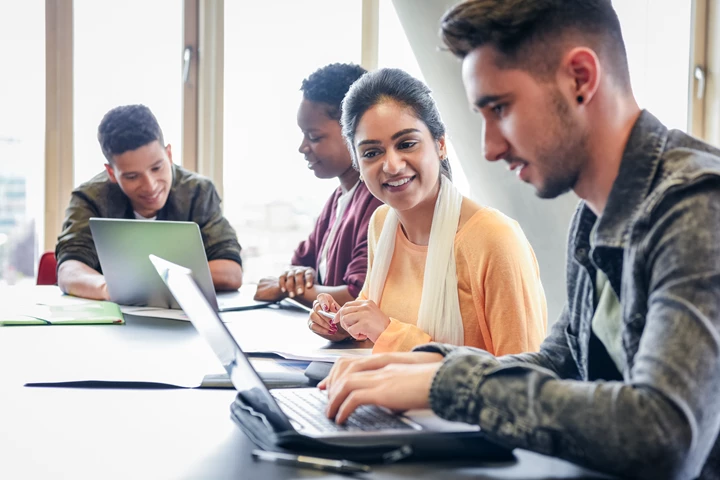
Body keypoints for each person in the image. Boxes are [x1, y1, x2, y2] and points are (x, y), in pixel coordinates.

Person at [319, 1, 720, 478]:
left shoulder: (697, 206)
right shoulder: (593, 217)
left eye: (501, 109)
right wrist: (418, 367)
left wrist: (451, 384)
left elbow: (662, 434)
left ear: (580, 78)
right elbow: (563, 360)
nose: (489, 146)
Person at [308, 68, 547, 354]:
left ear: (441, 145)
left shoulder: (494, 239)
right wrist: (340, 325)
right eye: (372, 153)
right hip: (386, 394)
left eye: (406, 144)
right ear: (357, 165)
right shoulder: (382, 224)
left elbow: (521, 380)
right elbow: (374, 334)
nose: (392, 165)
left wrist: (388, 332)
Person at [56, 104, 243, 300]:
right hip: (115, 320)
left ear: (169, 155)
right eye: (132, 176)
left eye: (156, 168)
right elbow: (69, 270)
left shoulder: (198, 192)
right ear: (111, 172)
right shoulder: (90, 198)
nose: (150, 186)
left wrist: (145, 282)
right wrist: (110, 289)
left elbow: (231, 271)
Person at [254, 63, 383, 308]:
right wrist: (294, 281)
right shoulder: (337, 199)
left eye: (314, 136)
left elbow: (357, 296)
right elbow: (299, 265)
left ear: (354, 131)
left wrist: (285, 288)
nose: (303, 147)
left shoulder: (378, 202)